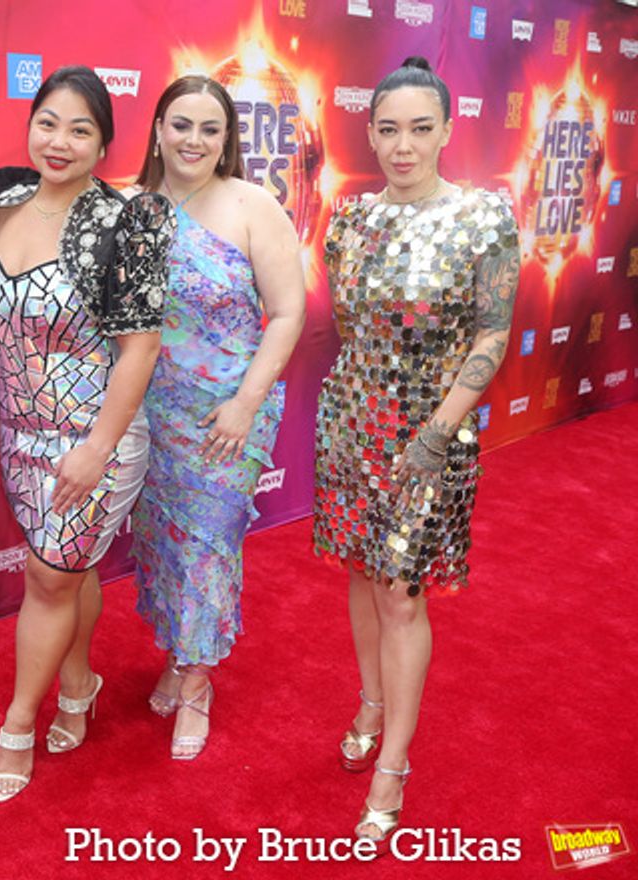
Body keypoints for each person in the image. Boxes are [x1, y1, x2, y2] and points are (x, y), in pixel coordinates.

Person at [314, 57, 520, 844]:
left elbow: (493, 330)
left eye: (420, 129)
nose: (403, 146)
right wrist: (359, 417)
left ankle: (394, 761)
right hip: (351, 423)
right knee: (364, 571)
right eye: (389, 130)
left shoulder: (482, 218)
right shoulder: (351, 219)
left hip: (434, 434)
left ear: (447, 130)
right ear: (369, 131)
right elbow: (351, 324)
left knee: (402, 590)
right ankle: (370, 701)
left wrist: (436, 432)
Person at [0, 66, 174, 802]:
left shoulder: (127, 224)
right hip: (17, 434)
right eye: (48, 122)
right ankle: (80, 681)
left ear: (104, 143)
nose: (60, 141)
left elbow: (141, 348)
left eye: (81, 129)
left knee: (50, 575)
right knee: (69, 569)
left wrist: (95, 449)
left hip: (97, 436)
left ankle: (17, 723)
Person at [129, 76, 306, 760]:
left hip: (232, 413)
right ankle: (179, 653)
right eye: (181, 125)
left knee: (206, 545)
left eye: (209, 128)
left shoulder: (253, 205)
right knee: (162, 542)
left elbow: (288, 313)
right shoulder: (136, 208)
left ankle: (198, 682)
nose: (193, 140)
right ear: (158, 130)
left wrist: (244, 403)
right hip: (153, 411)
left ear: (227, 137)